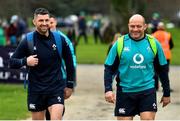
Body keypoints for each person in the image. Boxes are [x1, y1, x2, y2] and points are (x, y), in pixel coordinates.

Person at [9, 8, 76, 120]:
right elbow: (12, 62)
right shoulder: (28, 40)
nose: (44, 23)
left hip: (56, 88)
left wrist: (69, 85)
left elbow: (69, 63)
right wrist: (25, 61)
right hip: (36, 90)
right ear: (34, 22)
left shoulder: (59, 39)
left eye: (46, 20)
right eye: (41, 21)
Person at [104, 14, 171, 120]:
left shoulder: (153, 43)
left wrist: (166, 93)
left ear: (145, 26)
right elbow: (109, 68)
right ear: (128, 26)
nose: (135, 29)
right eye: (132, 26)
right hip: (125, 91)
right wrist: (108, 89)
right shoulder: (120, 43)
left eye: (139, 26)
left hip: (147, 90)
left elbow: (162, 69)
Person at [44, 14, 77, 120]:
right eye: (47, 23)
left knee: (57, 105)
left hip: (60, 76)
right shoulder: (40, 38)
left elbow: (72, 56)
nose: (49, 25)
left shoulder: (63, 39)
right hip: (44, 77)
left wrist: (70, 71)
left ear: (56, 23)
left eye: (51, 22)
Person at [152, 22, 174, 91]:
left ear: (157, 27)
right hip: (166, 55)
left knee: (155, 72)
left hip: (156, 56)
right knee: (164, 72)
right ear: (164, 27)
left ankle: (155, 87)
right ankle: (165, 88)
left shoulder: (153, 35)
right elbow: (171, 45)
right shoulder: (168, 35)